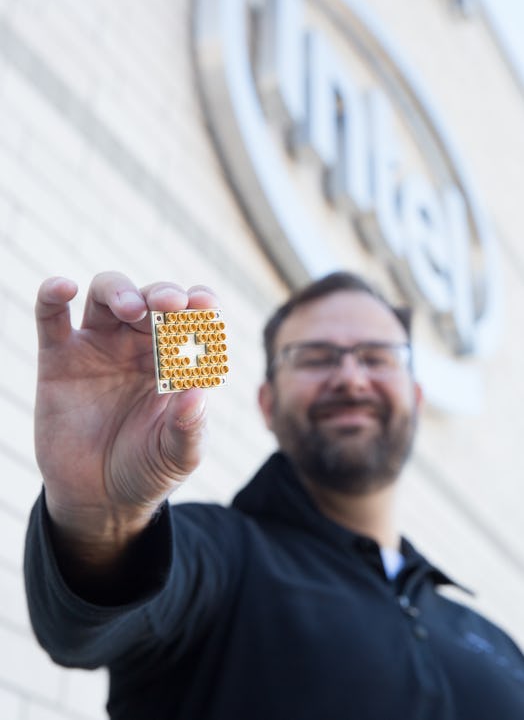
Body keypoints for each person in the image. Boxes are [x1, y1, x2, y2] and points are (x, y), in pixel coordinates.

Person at [25, 270, 524, 720]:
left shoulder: (496, 643)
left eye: (377, 357)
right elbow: (83, 630)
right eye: (315, 357)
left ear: (415, 399)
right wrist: (104, 515)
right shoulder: (218, 557)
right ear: (268, 404)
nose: (351, 377)